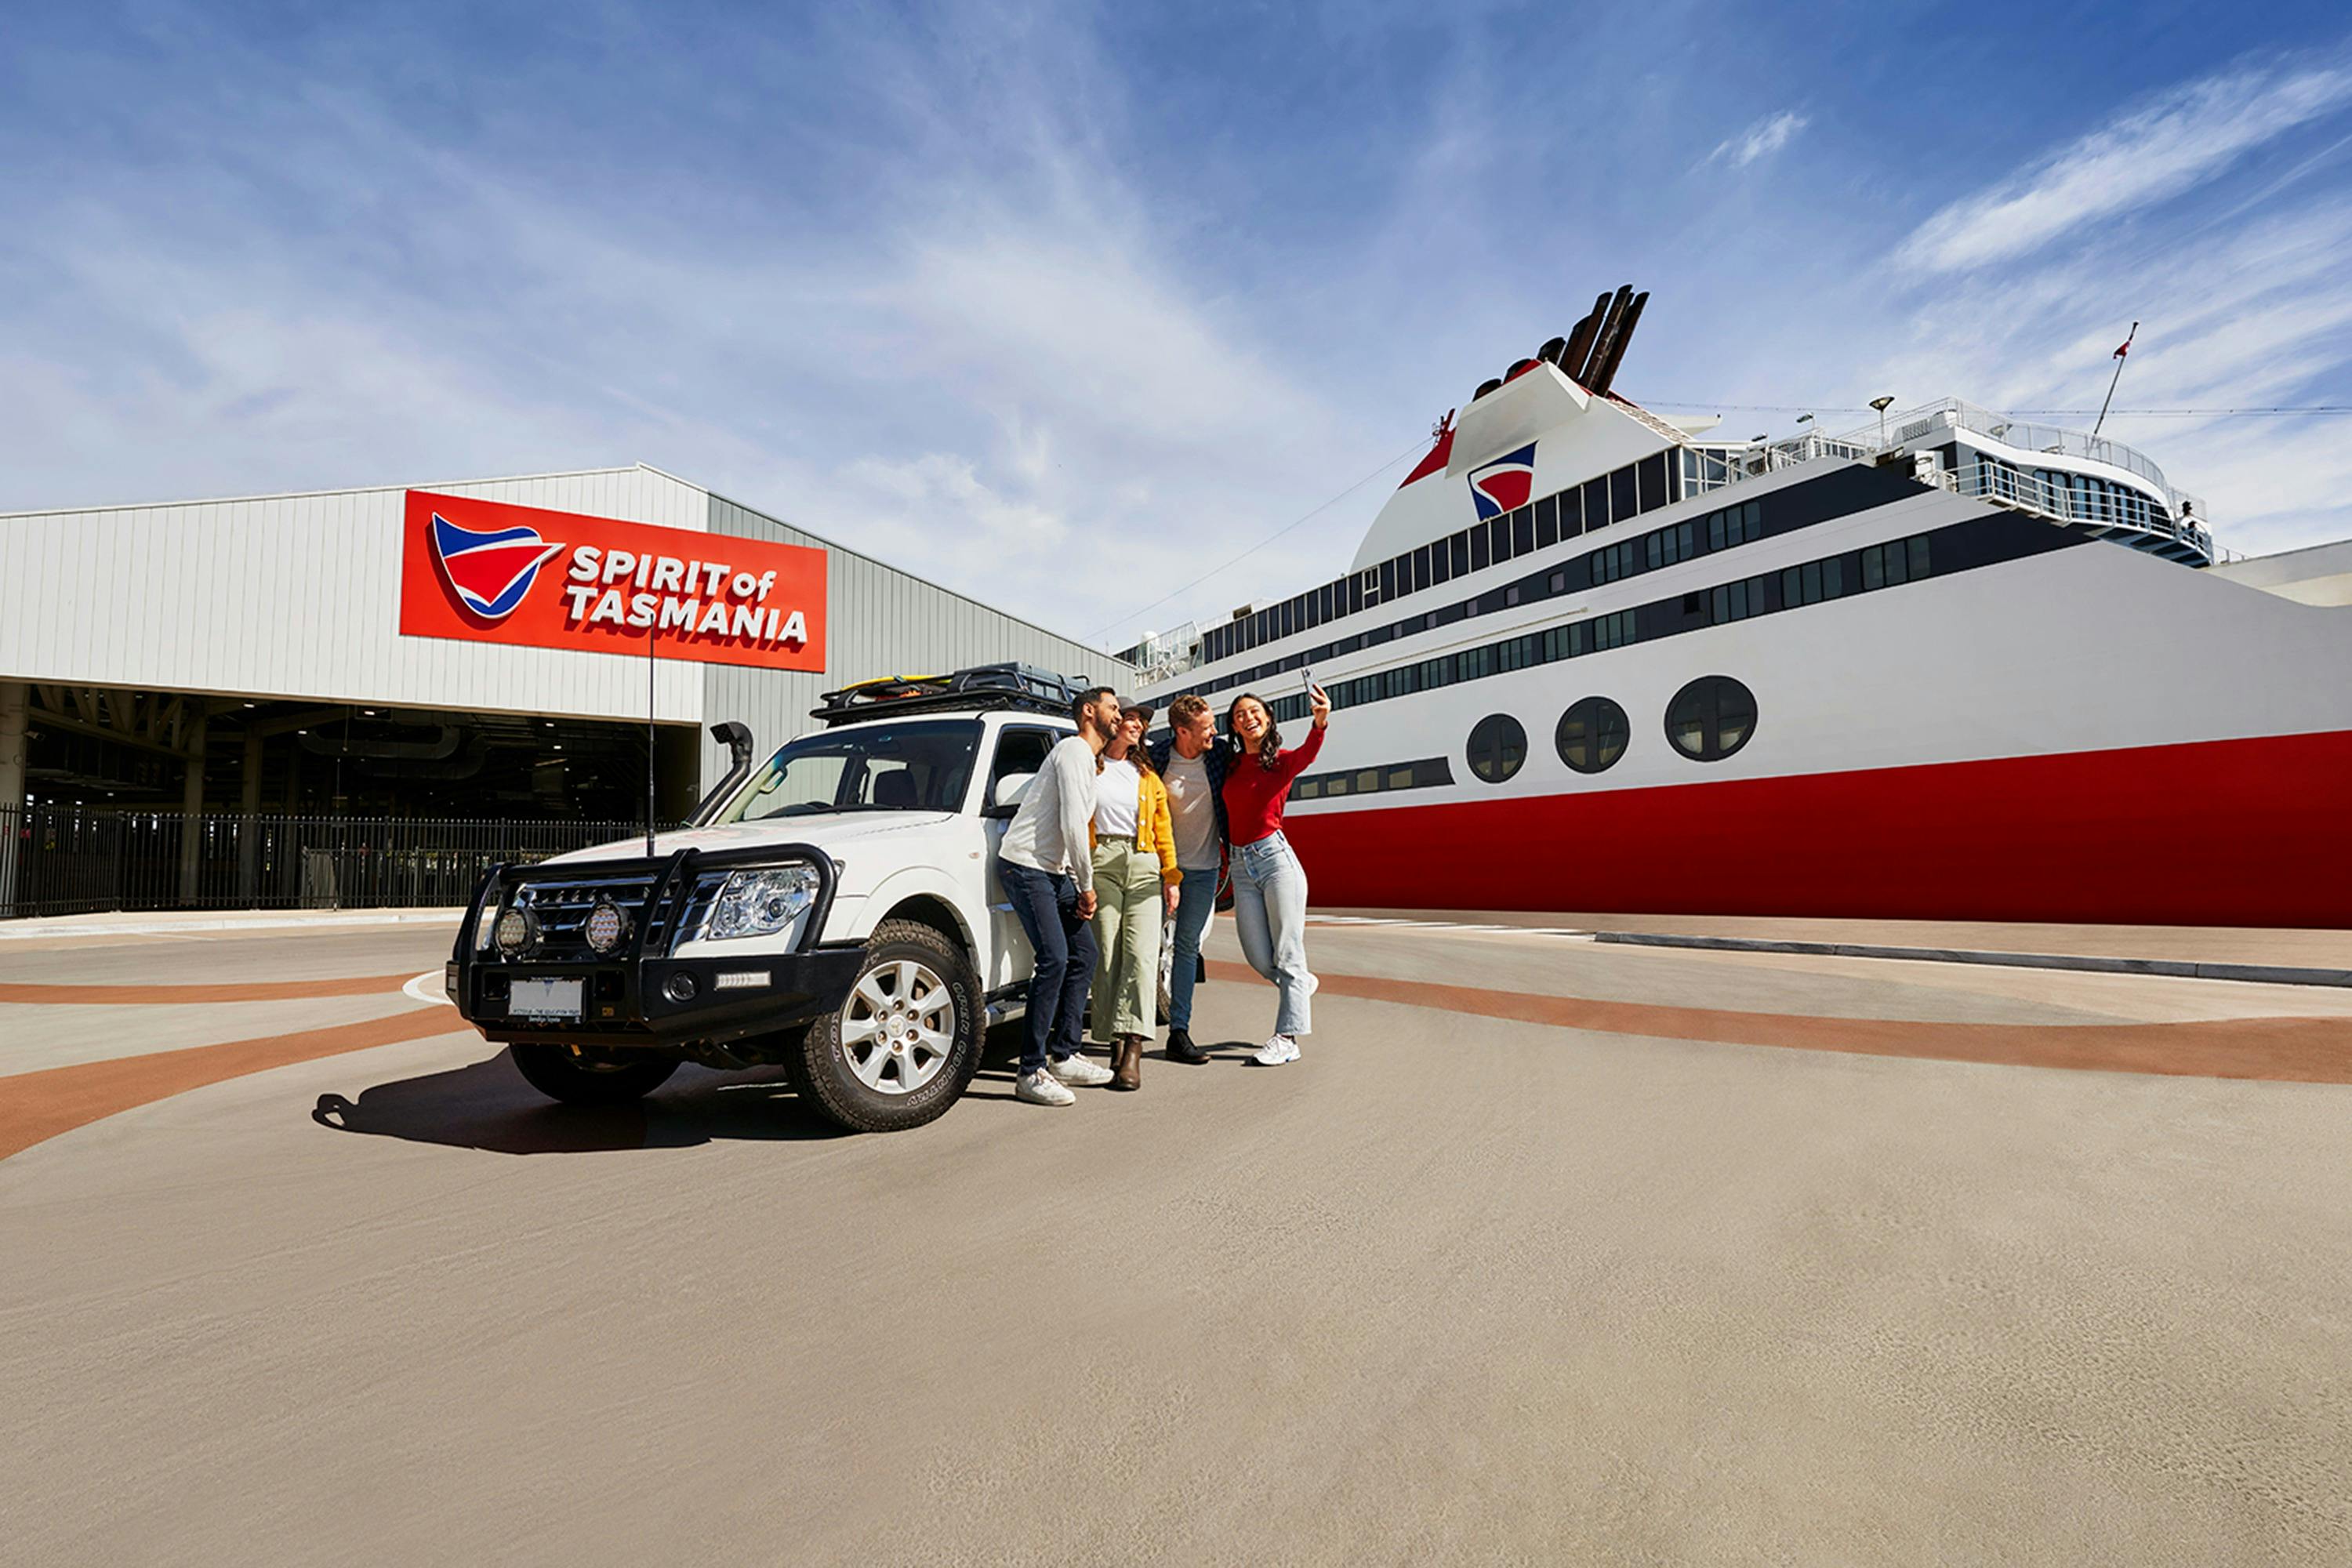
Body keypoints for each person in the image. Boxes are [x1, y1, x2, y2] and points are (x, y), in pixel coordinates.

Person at [997, 684, 1124, 1106]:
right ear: (1089, 712)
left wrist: (1074, 880)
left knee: (1084, 954)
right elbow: (1073, 825)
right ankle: (1030, 1071)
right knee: (1054, 958)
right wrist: (1086, 886)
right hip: (1025, 865)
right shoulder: (1072, 750)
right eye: (1112, 708)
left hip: (1053, 871)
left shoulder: (1088, 760)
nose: (1118, 715)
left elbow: (1069, 830)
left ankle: (1065, 1055)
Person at [1223, 684, 1329, 1065]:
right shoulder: (1230, 765)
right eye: (1240, 715)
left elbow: (1309, 753)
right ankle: (1300, 982)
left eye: (1254, 712)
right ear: (1234, 727)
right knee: (1258, 956)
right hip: (1240, 865)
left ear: (1268, 719)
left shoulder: (1282, 762)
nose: (1248, 718)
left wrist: (1320, 723)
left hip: (1275, 860)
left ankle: (1287, 1038)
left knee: (1288, 951)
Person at [1087, 702, 1179, 1091]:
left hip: (1143, 861)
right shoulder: (1090, 767)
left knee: (1141, 956)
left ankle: (1134, 1049)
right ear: (1113, 723)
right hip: (1100, 860)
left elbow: (1163, 830)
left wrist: (1171, 877)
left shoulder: (1147, 777)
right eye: (1131, 718)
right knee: (1107, 954)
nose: (1138, 725)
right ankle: (1113, 1042)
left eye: (1142, 722)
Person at [1147, 692, 1229, 1065]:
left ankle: (1178, 1032)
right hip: (1159, 870)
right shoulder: (1156, 759)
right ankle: (1127, 1034)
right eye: (1206, 727)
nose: (1214, 732)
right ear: (1182, 731)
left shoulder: (1220, 755)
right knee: (1144, 948)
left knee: (1186, 947)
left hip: (1203, 870)